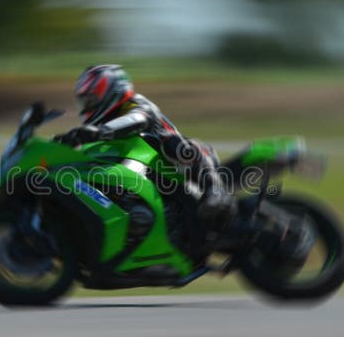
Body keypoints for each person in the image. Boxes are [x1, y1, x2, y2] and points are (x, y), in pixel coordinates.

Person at [59, 64, 234, 221]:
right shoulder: (102, 127)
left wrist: (98, 132)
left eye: (91, 100)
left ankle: (215, 188)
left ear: (112, 91)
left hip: (181, 166)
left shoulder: (136, 104)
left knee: (174, 143)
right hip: (149, 177)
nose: (87, 106)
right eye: (85, 101)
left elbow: (137, 119)